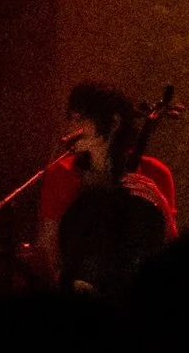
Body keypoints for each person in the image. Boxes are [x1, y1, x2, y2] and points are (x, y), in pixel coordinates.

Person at [33, 83, 179, 294]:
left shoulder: (155, 173)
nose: (71, 127)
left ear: (113, 123)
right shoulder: (60, 174)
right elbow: (51, 246)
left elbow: (172, 247)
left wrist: (161, 205)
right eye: (71, 118)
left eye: (80, 118)